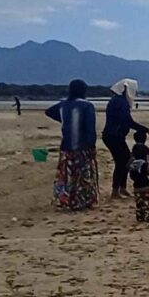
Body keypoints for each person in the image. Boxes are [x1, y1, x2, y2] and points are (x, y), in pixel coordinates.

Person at [45, 79, 99, 211]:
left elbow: (49, 111)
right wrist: (92, 146)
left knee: (67, 174)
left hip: (66, 145)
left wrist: (65, 120)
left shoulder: (63, 104)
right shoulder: (87, 106)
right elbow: (90, 128)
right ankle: (83, 200)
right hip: (82, 146)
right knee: (83, 174)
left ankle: (66, 199)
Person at [103, 79, 149, 199]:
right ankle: (115, 191)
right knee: (121, 162)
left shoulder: (117, 100)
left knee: (126, 161)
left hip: (114, 136)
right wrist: (147, 130)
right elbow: (129, 122)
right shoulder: (120, 102)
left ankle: (122, 188)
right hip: (114, 136)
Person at [128, 130, 149, 222]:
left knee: (139, 203)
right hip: (145, 186)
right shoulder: (144, 163)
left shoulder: (133, 162)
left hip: (136, 187)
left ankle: (140, 216)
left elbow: (128, 168)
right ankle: (148, 216)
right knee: (147, 202)